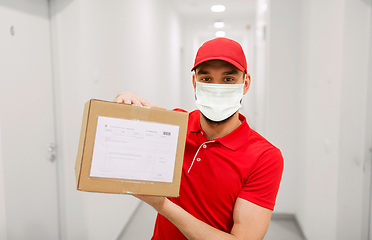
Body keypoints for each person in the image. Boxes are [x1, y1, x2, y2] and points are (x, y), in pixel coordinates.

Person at [114, 37, 284, 240]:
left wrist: (162, 205)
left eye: (228, 79)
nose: (217, 87)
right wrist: (124, 105)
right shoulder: (174, 125)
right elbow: (122, 148)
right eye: (206, 79)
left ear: (245, 83)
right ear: (195, 82)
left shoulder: (264, 157)